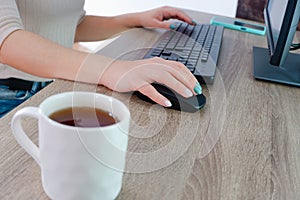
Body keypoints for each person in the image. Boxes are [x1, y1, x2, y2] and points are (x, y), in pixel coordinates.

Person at [0, 1, 202, 118]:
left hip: (55, 83)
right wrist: (112, 70)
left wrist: (133, 20)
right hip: (10, 96)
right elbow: (6, 40)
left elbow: (74, 26)